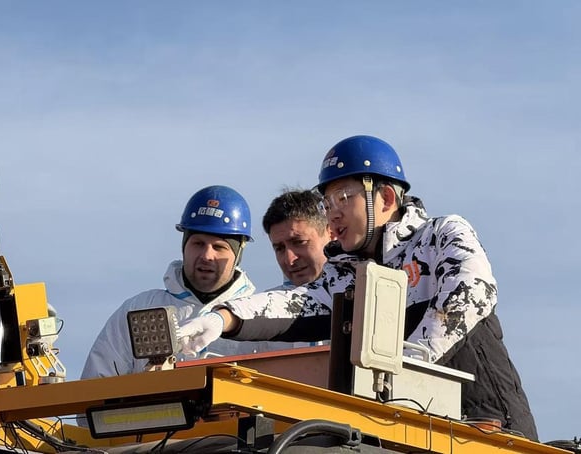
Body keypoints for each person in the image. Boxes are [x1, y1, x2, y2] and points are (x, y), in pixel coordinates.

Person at [179, 135, 538, 440]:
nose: (331, 213)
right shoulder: (349, 273)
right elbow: (295, 303)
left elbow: (472, 292)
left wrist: (412, 360)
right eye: (327, 202)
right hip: (409, 431)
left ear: (385, 199)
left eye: (343, 198)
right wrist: (223, 318)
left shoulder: (441, 236)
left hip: (490, 427)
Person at [80, 185, 303, 379]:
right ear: (184, 244)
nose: (207, 256)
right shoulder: (139, 309)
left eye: (219, 247)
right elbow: (91, 394)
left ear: (238, 254)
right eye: (198, 243)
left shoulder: (261, 316)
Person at [263, 188, 331, 289]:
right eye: (279, 248)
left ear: (331, 233)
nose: (289, 259)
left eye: (299, 242)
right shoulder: (267, 303)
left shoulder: (360, 293)